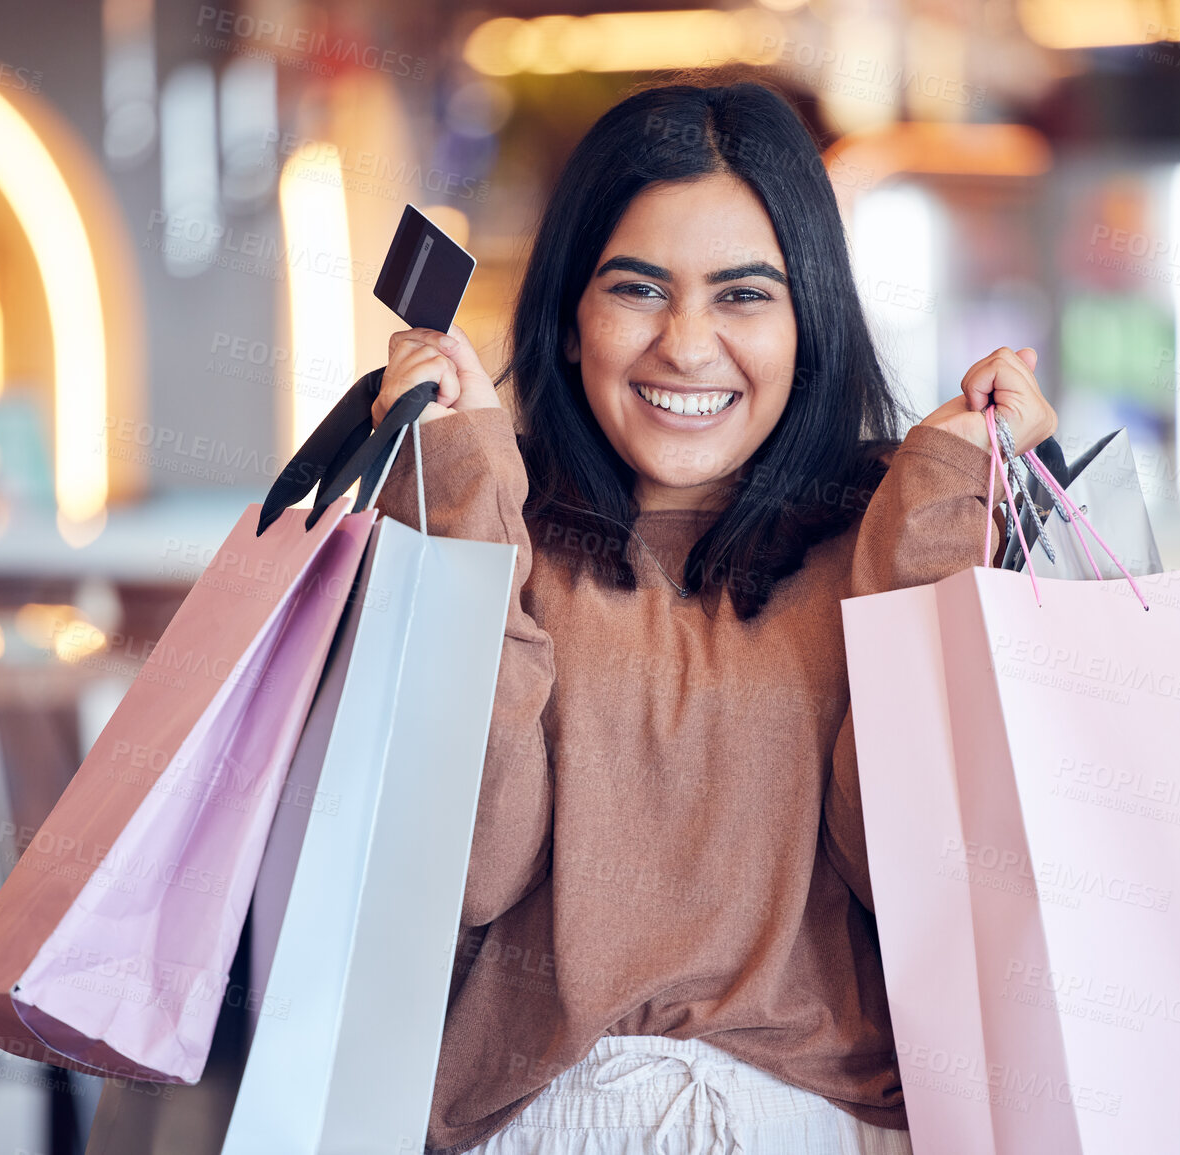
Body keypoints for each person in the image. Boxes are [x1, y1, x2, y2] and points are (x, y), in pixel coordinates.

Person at [370, 79, 1056, 1154]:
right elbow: (464, 869)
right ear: (566, 322)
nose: (687, 348)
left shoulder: (886, 520)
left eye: (743, 296)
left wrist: (936, 525)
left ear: (810, 320)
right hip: (546, 1125)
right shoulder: (493, 513)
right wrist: (462, 498)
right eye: (638, 289)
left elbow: (925, 879)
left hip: (830, 1124)